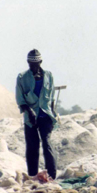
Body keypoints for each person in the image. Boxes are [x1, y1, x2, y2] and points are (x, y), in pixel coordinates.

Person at [15, 49, 58, 179]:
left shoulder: (48, 76)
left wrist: (53, 115)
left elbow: (50, 97)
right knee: (32, 146)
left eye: (36, 64)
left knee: (47, 144)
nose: (33, 67)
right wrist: (30, 112)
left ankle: (52, 176)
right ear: (28, 63)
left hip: (45, 116)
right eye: (31, 64)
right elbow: (20, 99)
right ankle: (33, 176)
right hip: (30, 118)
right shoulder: (22, 77)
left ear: (40, 62)